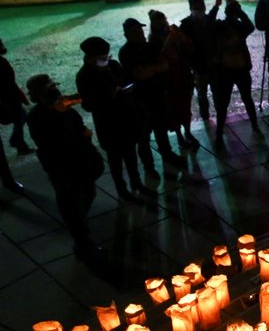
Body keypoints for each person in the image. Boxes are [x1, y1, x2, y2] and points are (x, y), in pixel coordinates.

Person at [26, 74, 104, 258]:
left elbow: (79, 127)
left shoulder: (65, 109)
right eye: (49, 88)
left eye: (54, 86)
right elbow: (54, 144)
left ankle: (82, 229)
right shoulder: (38, 117)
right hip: (64, 168)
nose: (55, 91)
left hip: (82, 162)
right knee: (72, 205)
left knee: (88, 194)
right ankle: (83, 244)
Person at [75, 36, 149, 202]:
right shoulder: (84, 76)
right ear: (90, 57)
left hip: (127, 119)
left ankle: (136, 183)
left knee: (131, 156)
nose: (105, 60)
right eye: (102, 57)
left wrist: (128, 89)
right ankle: (122, 190)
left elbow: (129, 81)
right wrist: (110, 96)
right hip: (108, 124)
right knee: (115, 161)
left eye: (106, 56)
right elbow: (88, 105)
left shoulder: (113, 66)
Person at [119, 17, 183, 176]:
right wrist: (154, 69)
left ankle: (167, 155)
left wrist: (149, 70)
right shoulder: (126, 52)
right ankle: (149, 167)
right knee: (144, 136)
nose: (140, 33)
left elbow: (164, 66)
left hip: (157, 94)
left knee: (161, 129)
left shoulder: (150, 47)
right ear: (127, 34)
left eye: (140, 30)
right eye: (135, 31)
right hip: (140, 99)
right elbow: (139, 74)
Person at [211, 0, 261, 149]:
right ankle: (252, 127)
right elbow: (249, 25)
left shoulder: (224, 27)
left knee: (225, 103)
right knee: (239, 100)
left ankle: (220, 133)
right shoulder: (232, 27)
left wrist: (218, 5)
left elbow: (208, 24)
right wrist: (236, 8)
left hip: (233, 70)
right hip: (231, 70)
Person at [149, 10, 198, 150]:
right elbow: (159, 56)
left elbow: (190, 48)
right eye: (159, 22)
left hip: (183, 75)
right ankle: (179, 135)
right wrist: (170, 40)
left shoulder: (174, 30)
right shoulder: (153, 39)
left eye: (163, 20)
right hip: (168, 80)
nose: (163, 24)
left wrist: (182, 38)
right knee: (174, 110)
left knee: (186, 107)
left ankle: (188, 132)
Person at [179, 0, 216, 121]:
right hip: (198, 66)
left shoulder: (210, 20)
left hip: (213, 64)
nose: (199, 10)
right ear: (191, 8)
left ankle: (219, 112)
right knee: (202, 94)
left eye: (201, 8)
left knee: (216, 92)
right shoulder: (185, 25)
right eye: (196, 8)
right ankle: (205, 116)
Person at [0, 38, 33, 157]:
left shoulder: (2, 61)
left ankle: (17, 142)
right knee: (20, 118)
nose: (3, 45)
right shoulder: (1, 62)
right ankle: (19, 145)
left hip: (9, 96)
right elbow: (9, 82)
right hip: (8, 98)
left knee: (22, 116)